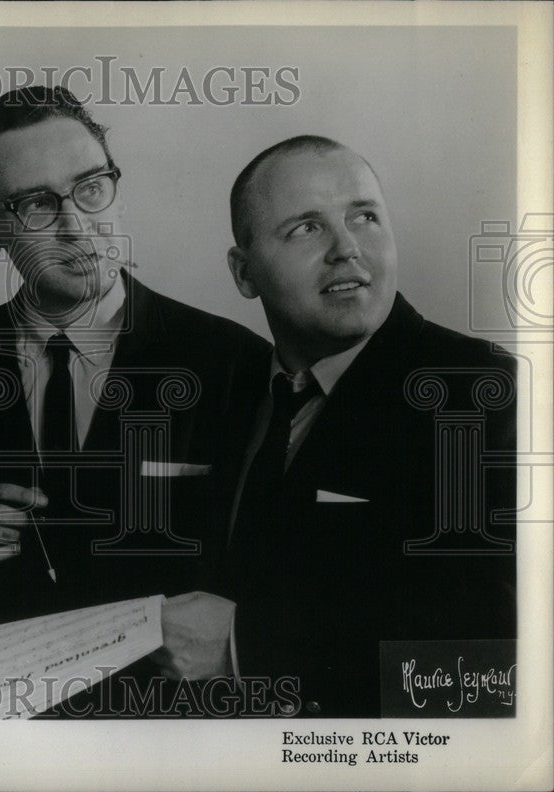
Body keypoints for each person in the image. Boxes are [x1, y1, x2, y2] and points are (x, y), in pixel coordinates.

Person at [0, 86, 268, 715]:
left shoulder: (235, 363)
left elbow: (275, 572)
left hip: (176, 746)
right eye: (36, 204)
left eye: (92, 187)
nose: (77, 225)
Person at [160, 135, 517, 717]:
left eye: (366, 217)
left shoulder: (479, 393)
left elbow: (498, 642)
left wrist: (245, 644)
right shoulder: (230, 389)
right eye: (306, 228)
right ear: (243, 272)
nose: (347, 248)